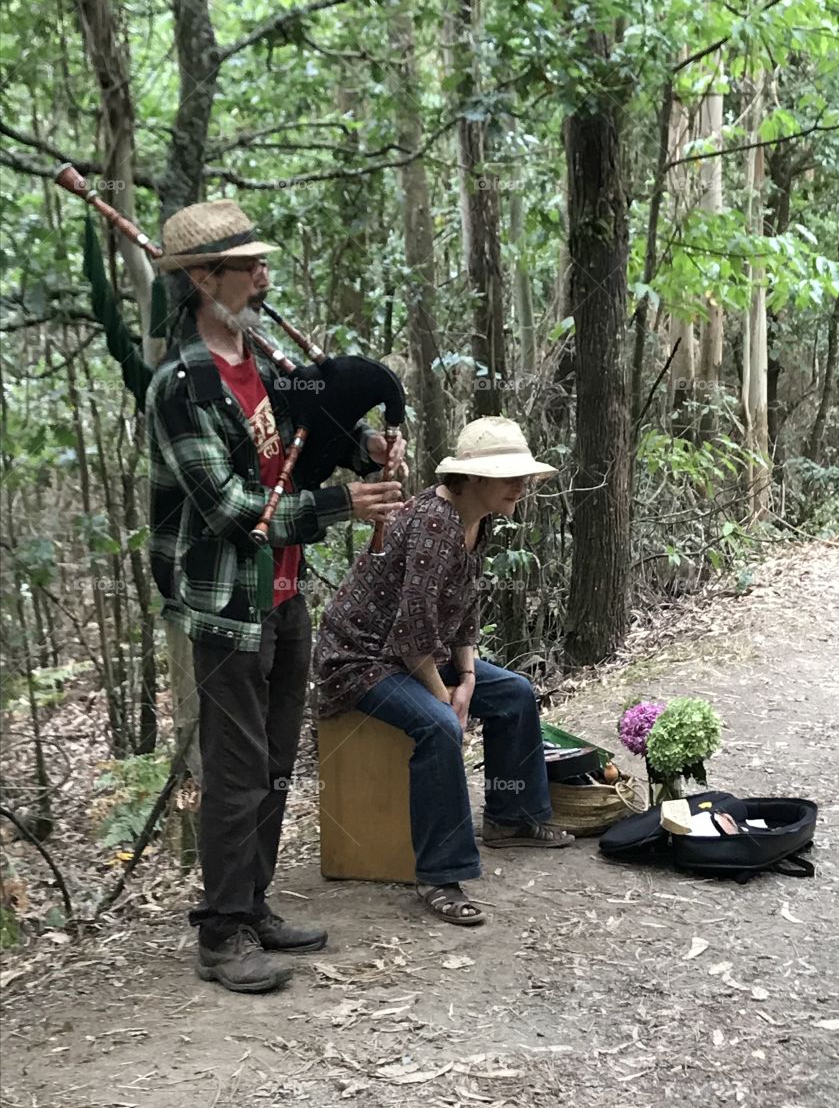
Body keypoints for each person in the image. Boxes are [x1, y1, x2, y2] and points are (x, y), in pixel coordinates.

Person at [147, 198, 404, 993]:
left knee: (277, 760)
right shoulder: (180, 386)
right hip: (227, 600)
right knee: (236, 767)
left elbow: (302, 438)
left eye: (262, 263)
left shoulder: (261, 360)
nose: (264, 277)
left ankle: (251, 905)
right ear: (201, 278)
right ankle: (220, 934)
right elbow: (227, 508)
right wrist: (338, 507)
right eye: (246, 266)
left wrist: (364, 448)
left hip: (281, 588)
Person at [313, 417, 574, 927]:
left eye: (522, 476)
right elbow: (413, 627)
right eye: (508, 476)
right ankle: (440, 874)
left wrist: (469, 677)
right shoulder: (434, 522)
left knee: (514, 693)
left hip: (414, 654)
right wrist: (444, 698)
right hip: (360, 658)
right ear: (471, 479)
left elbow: (463, 607)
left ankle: (512, 817)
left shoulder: (482, 518)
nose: (521, 487)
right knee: (437, 727)